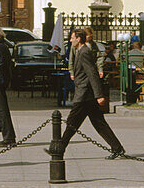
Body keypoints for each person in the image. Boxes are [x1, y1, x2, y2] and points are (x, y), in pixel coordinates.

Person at [45, 29, 125, 160]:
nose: (70, 40)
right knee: (98, 123)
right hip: (86, 94)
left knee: (72, 122)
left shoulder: (84, 53)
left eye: (72, 38)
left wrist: (99, 95)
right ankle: (117, 148)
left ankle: (58, 149)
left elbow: (92, 74)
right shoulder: (80, 51)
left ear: (79, 39)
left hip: (84, 94)